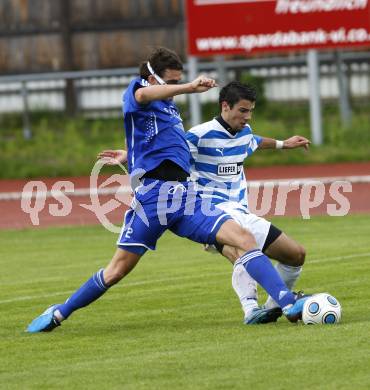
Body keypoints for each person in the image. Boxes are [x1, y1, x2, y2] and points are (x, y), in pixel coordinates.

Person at [27, 48, 308, 333]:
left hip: (185, 197)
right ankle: (60, 312)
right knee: (116, 271)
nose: (174, 88)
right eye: (170, 82)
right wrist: (189, 87)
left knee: (243, 239)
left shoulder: (169, 108)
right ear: (151, 78)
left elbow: (166, 144)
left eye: (178, 81)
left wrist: (131, 152)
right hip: (153, 199)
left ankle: (287, 304)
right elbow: (142, 97)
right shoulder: (138, 94)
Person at [185, 81, 310, 320]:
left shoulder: (245, 133)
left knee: (296, 255)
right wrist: (130, 156)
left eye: (251, 110)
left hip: (240, 211)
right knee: (245, 251)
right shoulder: (198, 135)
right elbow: (166, 152)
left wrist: (285, 144)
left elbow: (255, 141)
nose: (248, 116)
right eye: (243, 110)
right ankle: (254, 309)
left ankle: (272, 307)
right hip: (212, 213)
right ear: (225, 106)